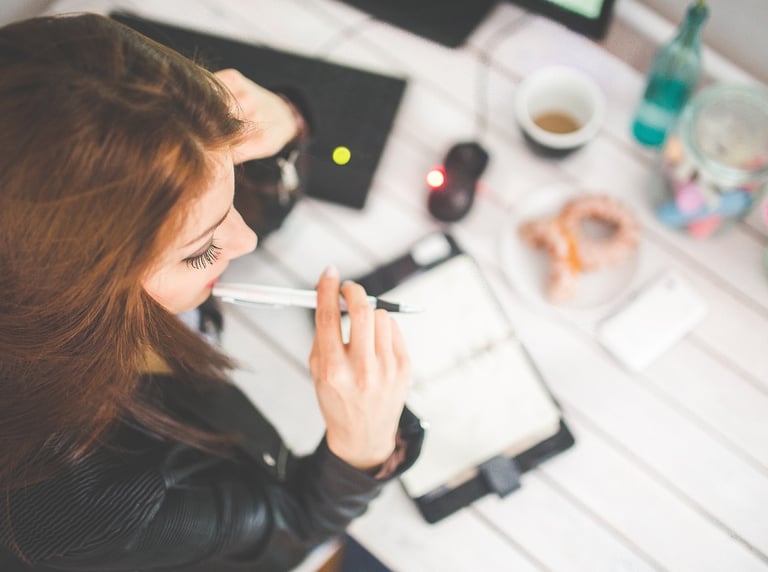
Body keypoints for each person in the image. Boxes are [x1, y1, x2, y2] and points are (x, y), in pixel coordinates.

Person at [0, 13, 423, 572]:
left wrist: (286, 121)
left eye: (232, 175)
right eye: (199, 249)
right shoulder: (85, 502)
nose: (244, 240)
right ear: (78, 290)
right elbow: (290, 533)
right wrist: (360, 449)